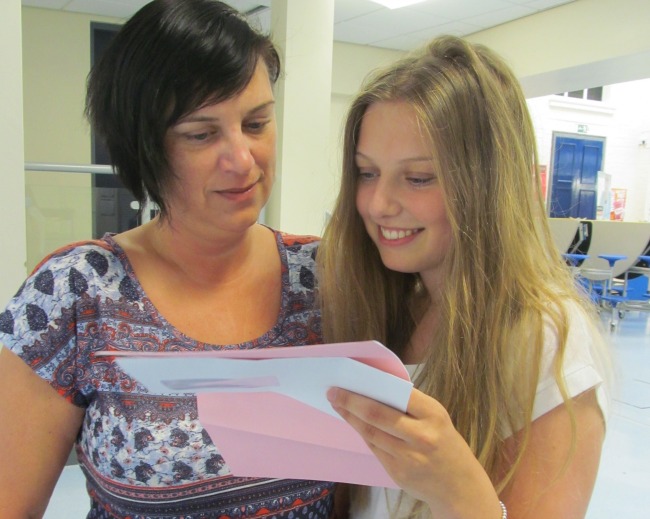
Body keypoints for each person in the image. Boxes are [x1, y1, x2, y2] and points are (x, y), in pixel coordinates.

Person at [0, 1, 335, 517]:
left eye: (256, 123)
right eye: (201, 134)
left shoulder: (326, 276)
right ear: (144, 148)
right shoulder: (77, 292)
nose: (242, 159)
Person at [318, 35, 611, 519]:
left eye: (418, 178)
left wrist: (458, 490)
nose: (378, 204)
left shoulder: (543, 338)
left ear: (486, 185)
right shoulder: (394, 307)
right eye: (367, 173)